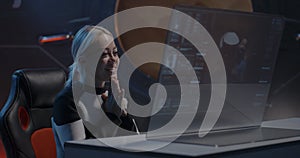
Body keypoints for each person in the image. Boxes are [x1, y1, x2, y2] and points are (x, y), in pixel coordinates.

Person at [52, 25, 137, 158]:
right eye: (104, 54)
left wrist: (123, 115)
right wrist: (112, 116)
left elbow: (135, 145)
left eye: (115, 53)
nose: (113, 59)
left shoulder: (112, 95)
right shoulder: (67, 101)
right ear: (83, 60)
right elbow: (80, 154)